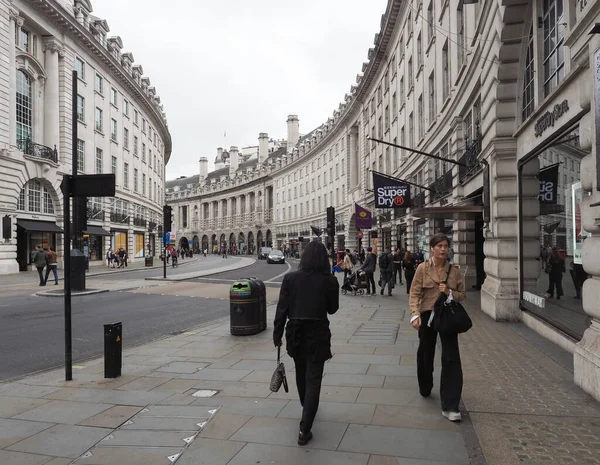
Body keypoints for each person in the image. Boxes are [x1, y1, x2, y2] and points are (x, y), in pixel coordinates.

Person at [273, 240, 339, 446]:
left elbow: (282, 309)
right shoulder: (330, 280)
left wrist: (277, 335)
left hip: (296, 331)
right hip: (318, 331)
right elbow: (332, 309)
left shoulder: (290, 278)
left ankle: (306, 408)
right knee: (314, 379)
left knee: (301, 374)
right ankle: (305, 428)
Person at [409, 233, 466, 422]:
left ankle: (450, 405)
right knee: (426, 354)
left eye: (446, 246)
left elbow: (462, 294)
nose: (443, 249)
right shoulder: (422, 268)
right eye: (439, 245)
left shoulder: (454, 271)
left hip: (447, 316)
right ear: (432, 248)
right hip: (427, 316)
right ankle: (425, 385)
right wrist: (415, 314)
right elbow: (415, 292)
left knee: (451, 358)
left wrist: (449, 292)